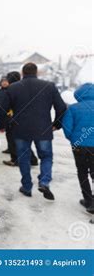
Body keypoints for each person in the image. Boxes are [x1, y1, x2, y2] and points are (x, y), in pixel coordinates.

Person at [0, 62, 66, 200]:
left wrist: (3, 124)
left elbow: (2, 109)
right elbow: (61, 108)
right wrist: (57, 124)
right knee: (46, 156)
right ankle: (44, 181)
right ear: (36, 72)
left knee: (24, 158)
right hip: (43, 129)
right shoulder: (49, 86)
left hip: (20, 129)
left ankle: (27, 187)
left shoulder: (12, 88)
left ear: (23, 73)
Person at [62, 83, 94, 214]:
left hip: (79, 146)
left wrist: (74, 139)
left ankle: (89, 201)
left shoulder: (73, 108)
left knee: (82, 172)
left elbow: (67, 127)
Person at [0, 72, 38, 167]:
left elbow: (3, 108)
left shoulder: (9, 90)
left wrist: (0, 124)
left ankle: (15, 159)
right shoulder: (27, 89)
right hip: (26, 119)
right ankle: (32, 159)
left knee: (12, 139)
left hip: (12, 119)